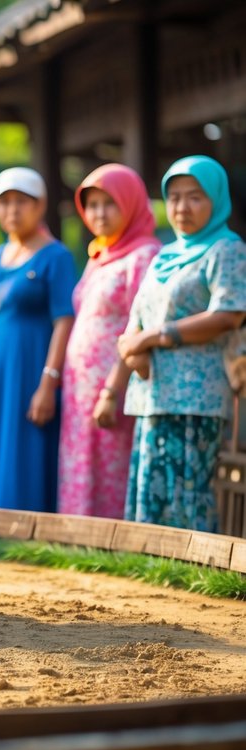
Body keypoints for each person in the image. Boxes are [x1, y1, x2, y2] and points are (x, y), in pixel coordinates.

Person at [118, 155, 246, 532]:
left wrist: (157, 336)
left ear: (217, 200)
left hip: (197, 395)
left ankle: (191, 574)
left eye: (195, 197)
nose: (181, 207)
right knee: (151, 486)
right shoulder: (163, 256)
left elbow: (229, 314)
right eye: (173, 197)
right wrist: (131, 346)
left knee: (189, 490)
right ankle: (148, 569)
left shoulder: (228, 250)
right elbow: (139, 313)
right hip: (152, 392)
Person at [57, 164, 160, 520]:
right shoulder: (98, 255)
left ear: (130, 204)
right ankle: (77, 542)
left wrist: (112, 389)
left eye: (109, 203)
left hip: (113, 384)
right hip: (79, 388)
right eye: (92, 204)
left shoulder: (143, 255)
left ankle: (109, 548)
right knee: (82, 463)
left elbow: (139, 326)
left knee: (109, 467)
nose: (98, 213)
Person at [0, 168, 77, 513]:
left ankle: (24, 536)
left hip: (30, 370)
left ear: (40, 205)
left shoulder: (56, 257)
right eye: (4, 202)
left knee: (24, 451)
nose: (11, 209)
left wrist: (49, 382)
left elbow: (64, 320)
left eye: (21, 201)